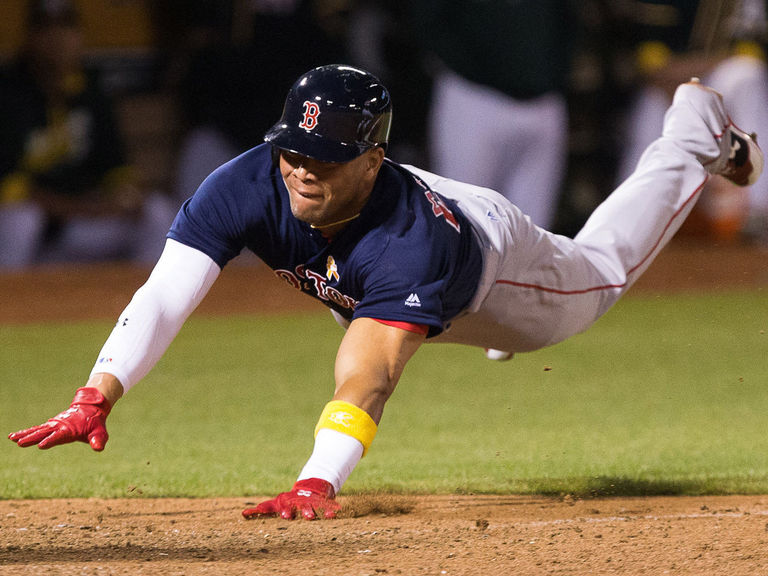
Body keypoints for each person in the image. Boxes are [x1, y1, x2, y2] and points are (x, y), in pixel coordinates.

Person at [8, 65, 762, 520]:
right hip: (409, 261)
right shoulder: (245, 181)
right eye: (294, 151)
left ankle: (692, 136)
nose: (302, 169)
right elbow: (168, 291)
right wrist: (96, 392)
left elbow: (368, 372)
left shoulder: (409, 243)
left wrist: (317, 479)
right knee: (389, 300)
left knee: (596, 279)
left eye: (326, 159)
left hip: (486, 258)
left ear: (371, 161)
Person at [0, 0, 173, 269]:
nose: (57, 38)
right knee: (23, 220)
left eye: (66, 27)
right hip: (38, 231)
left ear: (79, 35)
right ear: (30, 37)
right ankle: (9, 304)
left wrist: (126, 195)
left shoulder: (92, 91)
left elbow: (116, 168)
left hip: (80, 225)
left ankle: (142, 306)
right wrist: (84, 208)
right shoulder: (10, 92)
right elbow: (13, 190)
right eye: (46, 28)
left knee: (157, 211)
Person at [410, 0, 579, 231]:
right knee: (463, 226)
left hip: (544, 100)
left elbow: (569, 19)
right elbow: (428, 20)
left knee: (534, 233)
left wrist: (554, 73)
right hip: (473, 97)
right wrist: (468, 65)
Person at [615, 0, 768, 243]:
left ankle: (759, 209)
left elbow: (751, 52)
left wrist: (695, 75)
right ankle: (624, 221)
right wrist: (682, 79)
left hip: (718, 79)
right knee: (651, 104)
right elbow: (650, 63)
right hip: (668, 85)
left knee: (747, 74)